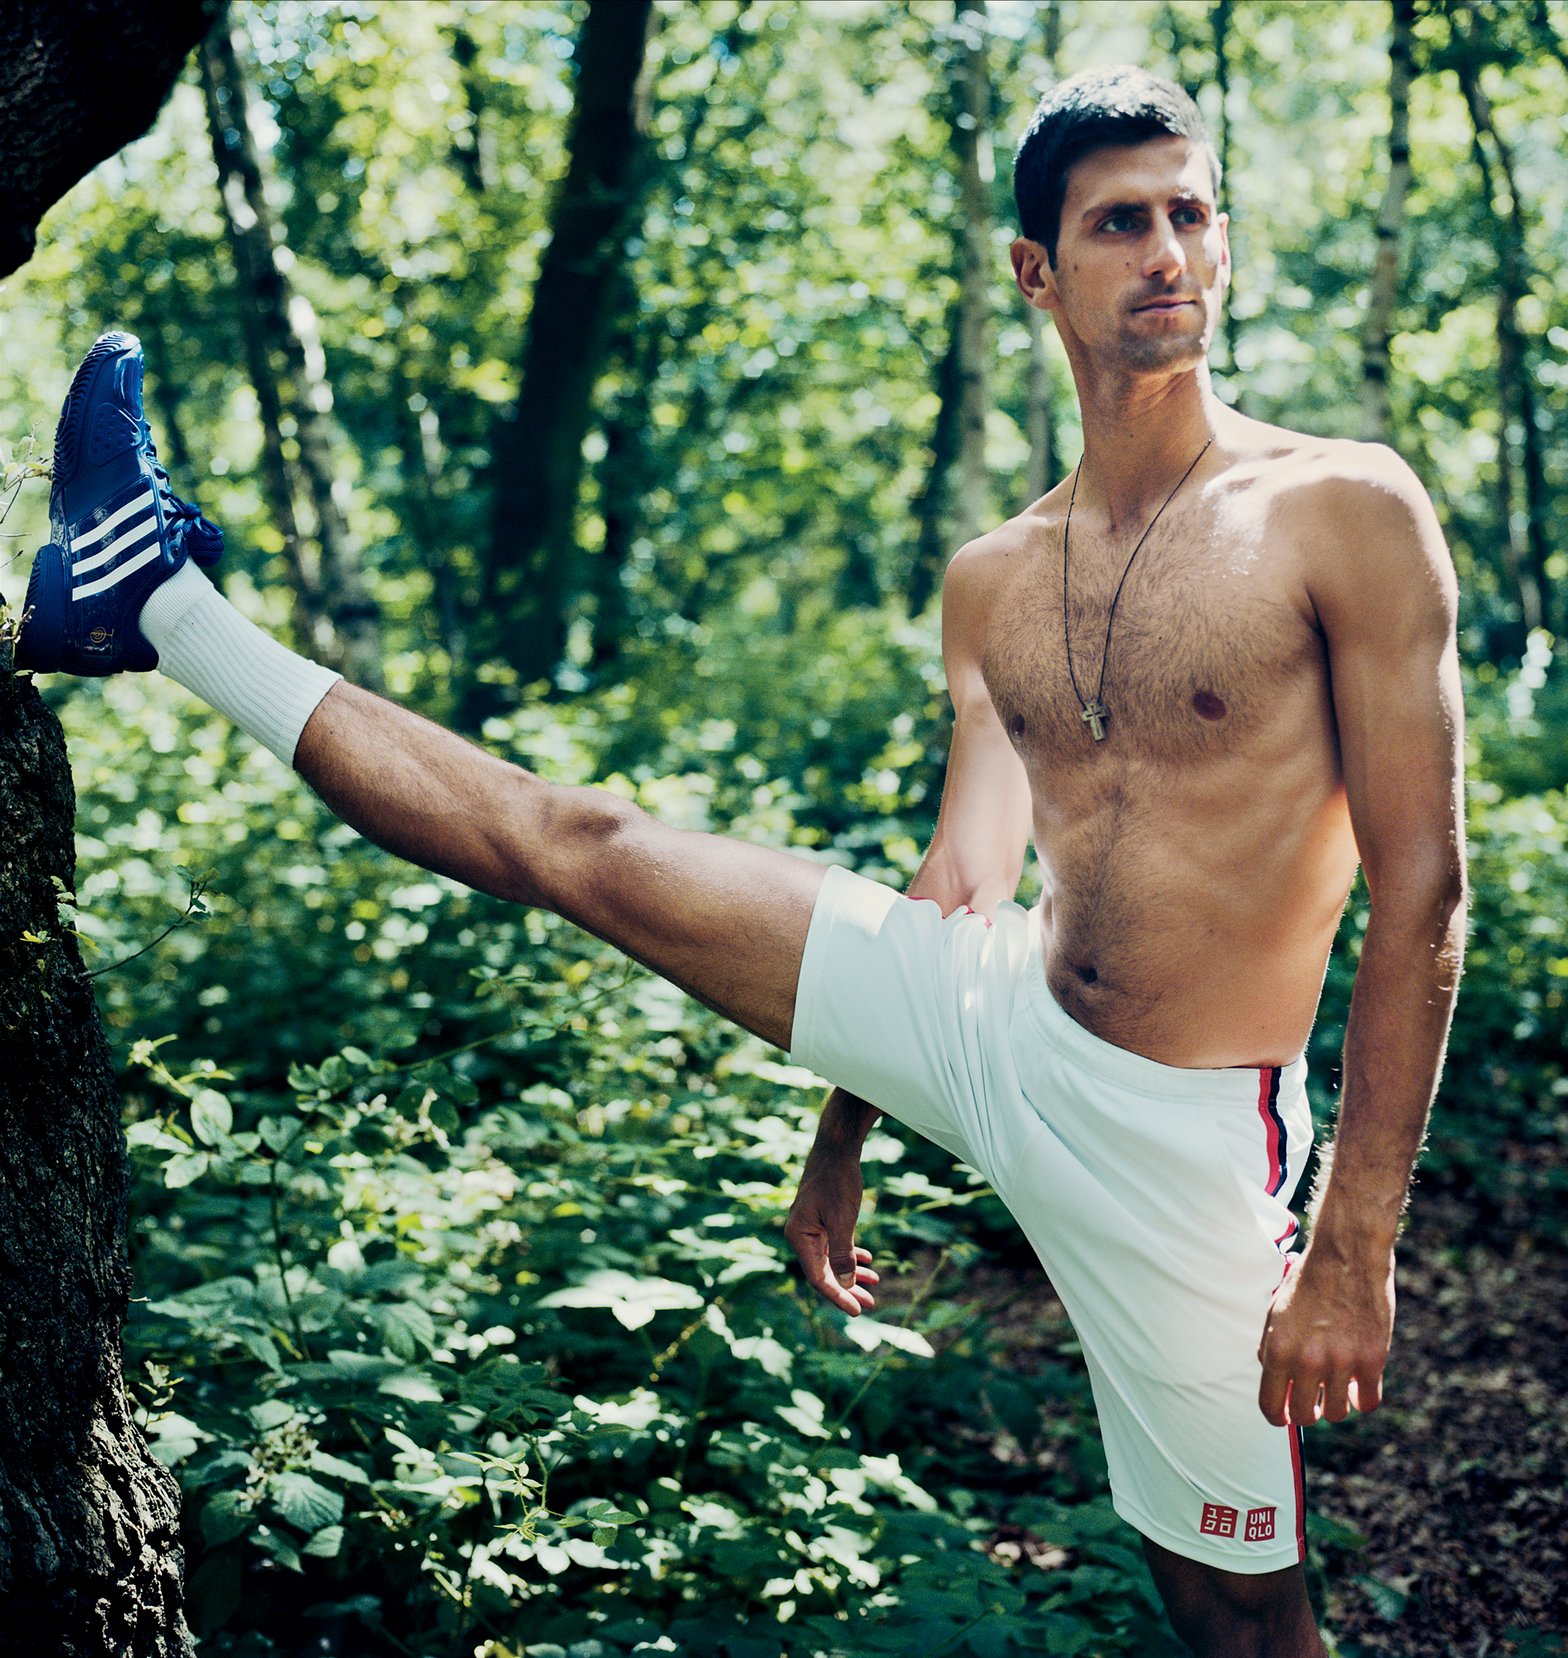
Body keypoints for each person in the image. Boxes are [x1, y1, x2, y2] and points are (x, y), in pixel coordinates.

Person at [15, 65, 1464, 1658]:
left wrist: (1354, 1247)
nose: (1169, 252)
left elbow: (1426, 898)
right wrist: (857, 1111)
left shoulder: (1343, 510)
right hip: (994, 1010)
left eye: (1191, 213)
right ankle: (149, 601)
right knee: (584, 845)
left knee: (1238, 1610)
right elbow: (969, 868)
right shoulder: (996, 577)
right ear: (1035, 270)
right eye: (1120, 223)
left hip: (1187, 1133)